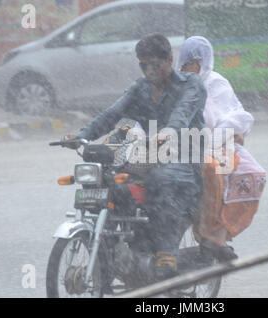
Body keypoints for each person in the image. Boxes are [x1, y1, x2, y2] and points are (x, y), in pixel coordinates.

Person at [64, 33, 207, 279]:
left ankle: (166, 251)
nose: (149, 70)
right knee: (109, 182)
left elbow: (182, 114)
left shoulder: (190, 84)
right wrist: (82, 135)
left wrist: (169, 132)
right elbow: (112, 114)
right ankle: (114, 249)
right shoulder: (139, 89)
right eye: (143, 65)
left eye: (154, 64)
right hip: (150, 157)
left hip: (185, 161)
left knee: (161, 178)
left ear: (169, 60)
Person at [177, 36, 266, 260]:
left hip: (221, 143)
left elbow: (233, 117)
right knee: (213, 170)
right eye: (188, 64)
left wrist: (225, 133)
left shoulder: (216, 83)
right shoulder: (177, 84)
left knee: (252, 175)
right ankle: (208, 231)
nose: (192, 68)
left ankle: (219, 233)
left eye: (197, 63)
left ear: (206, 63)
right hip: (188, 146)